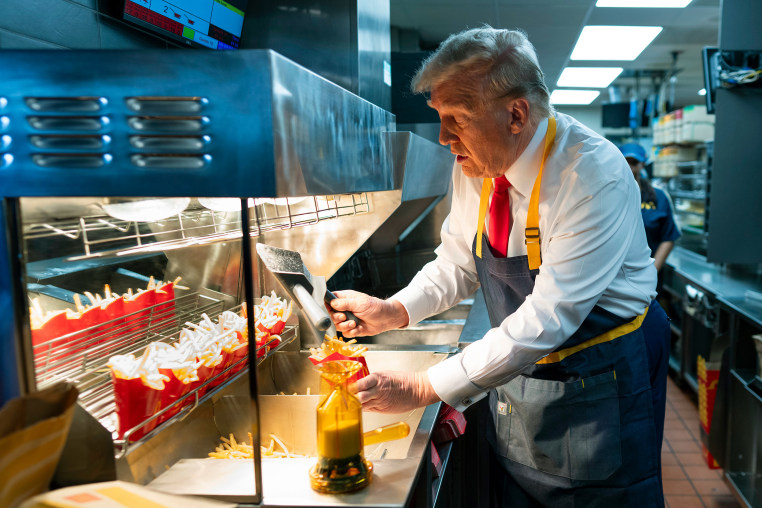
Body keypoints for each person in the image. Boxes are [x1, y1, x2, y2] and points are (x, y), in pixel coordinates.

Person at [329, 26, 669, 507]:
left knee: (602, 497)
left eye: (458, 119)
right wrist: (394, 310)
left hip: (602, 368)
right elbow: (457, 262)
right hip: (527, 371)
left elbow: (551, 316)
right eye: (439, 117)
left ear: (516, 114)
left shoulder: (591, 173)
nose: (445, 137)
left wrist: (426, 385)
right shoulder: (478, 162)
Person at [620, 142, 681, 271]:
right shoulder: (610, 195)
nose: (630, 168)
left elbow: (668, 237)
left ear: (642, 164)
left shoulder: (659, 197)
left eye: (634, 163)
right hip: (615, 275)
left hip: (648, 271)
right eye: (626, 162)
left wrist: (652, 272)